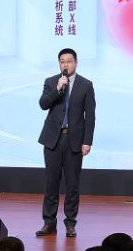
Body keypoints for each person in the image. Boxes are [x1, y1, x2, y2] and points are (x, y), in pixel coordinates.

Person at [36, 48, 96, 238]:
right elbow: (43, 104)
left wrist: (87, 141)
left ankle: (70, 223)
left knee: (72, 185)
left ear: (76, 63)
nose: (65, 64)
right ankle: (49, 223)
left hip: (74, 140)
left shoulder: (86, 85)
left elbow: (90, 116)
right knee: (51, 183)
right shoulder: (51, 81)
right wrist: (57, 89)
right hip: (52, 140)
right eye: (62, 61)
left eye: (69, 61)